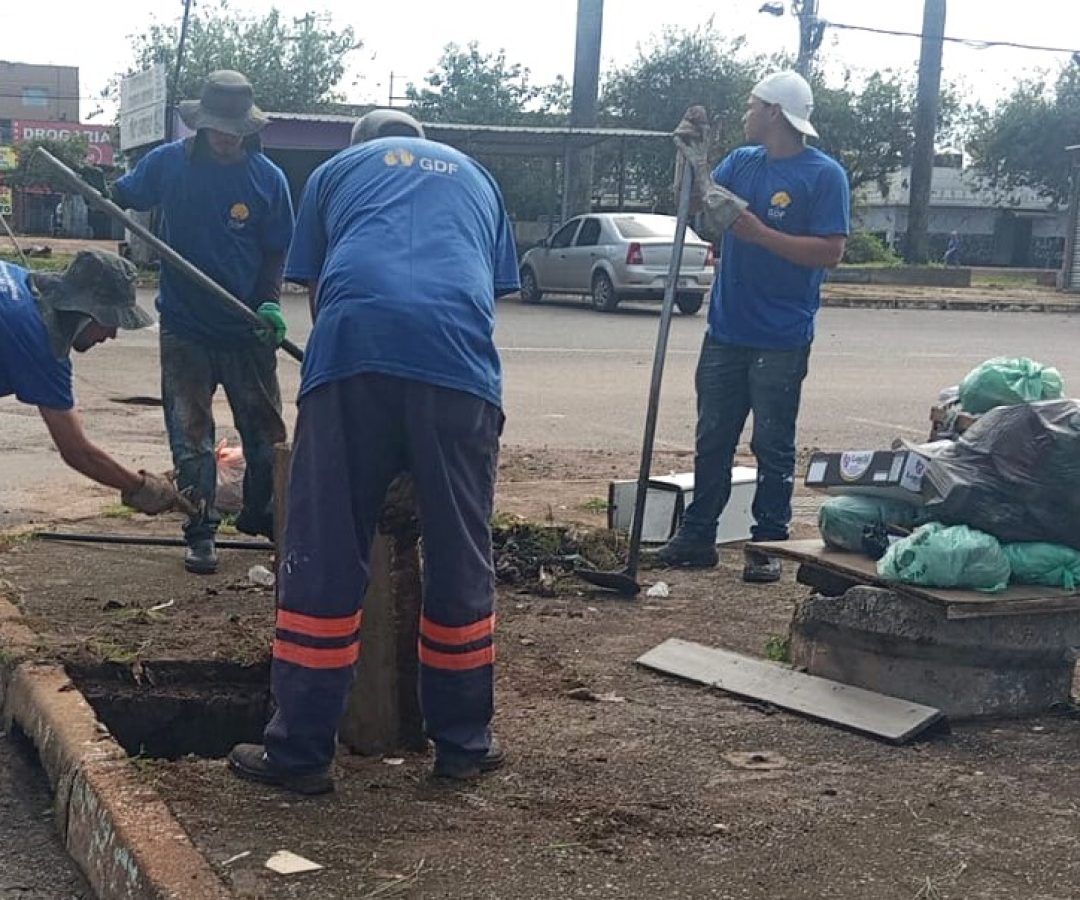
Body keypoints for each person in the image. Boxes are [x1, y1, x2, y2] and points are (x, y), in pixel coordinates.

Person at [227, 109, 520, 794]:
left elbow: (322, 291)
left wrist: (362, 399)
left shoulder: (334, 171)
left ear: (363, 142)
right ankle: (463, 747)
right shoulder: (479, 177)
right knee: (460, 554)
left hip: (354, 350)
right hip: (458, 364)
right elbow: (480, 291)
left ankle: (300, 755)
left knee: (326, 552)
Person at [655, 70, 850, 582]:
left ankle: (768, 542)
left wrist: (762, 235)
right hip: (726, 329)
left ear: (774, 114)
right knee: (712, 438)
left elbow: (830, 251)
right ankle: (698, 534)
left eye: (751, 106)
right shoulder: (742, 163)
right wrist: (690, 162)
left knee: (773, 444)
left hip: (781, 336)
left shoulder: (823, 175)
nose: (745, 114)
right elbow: (701, 209)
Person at [110, 70, 294, 575]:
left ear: (248, 127)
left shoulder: (267, 179)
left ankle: (262, 515)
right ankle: (200, 528)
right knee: (190, 437)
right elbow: (126, 194)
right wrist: (98, 189)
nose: (226, 137)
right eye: (217, 128)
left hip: (246, 327)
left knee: (265, 436)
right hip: (186, 328)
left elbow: (277, 249)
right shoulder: (168, 164)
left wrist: (270, 303)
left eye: (234, 129)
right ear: (202, 124)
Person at [0, 249, 193, 517]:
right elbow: (78, 452)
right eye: (110, 322)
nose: (112, 335)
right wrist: (145, 488)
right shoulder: (38, 343)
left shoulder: (19, 280)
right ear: (85, 313)